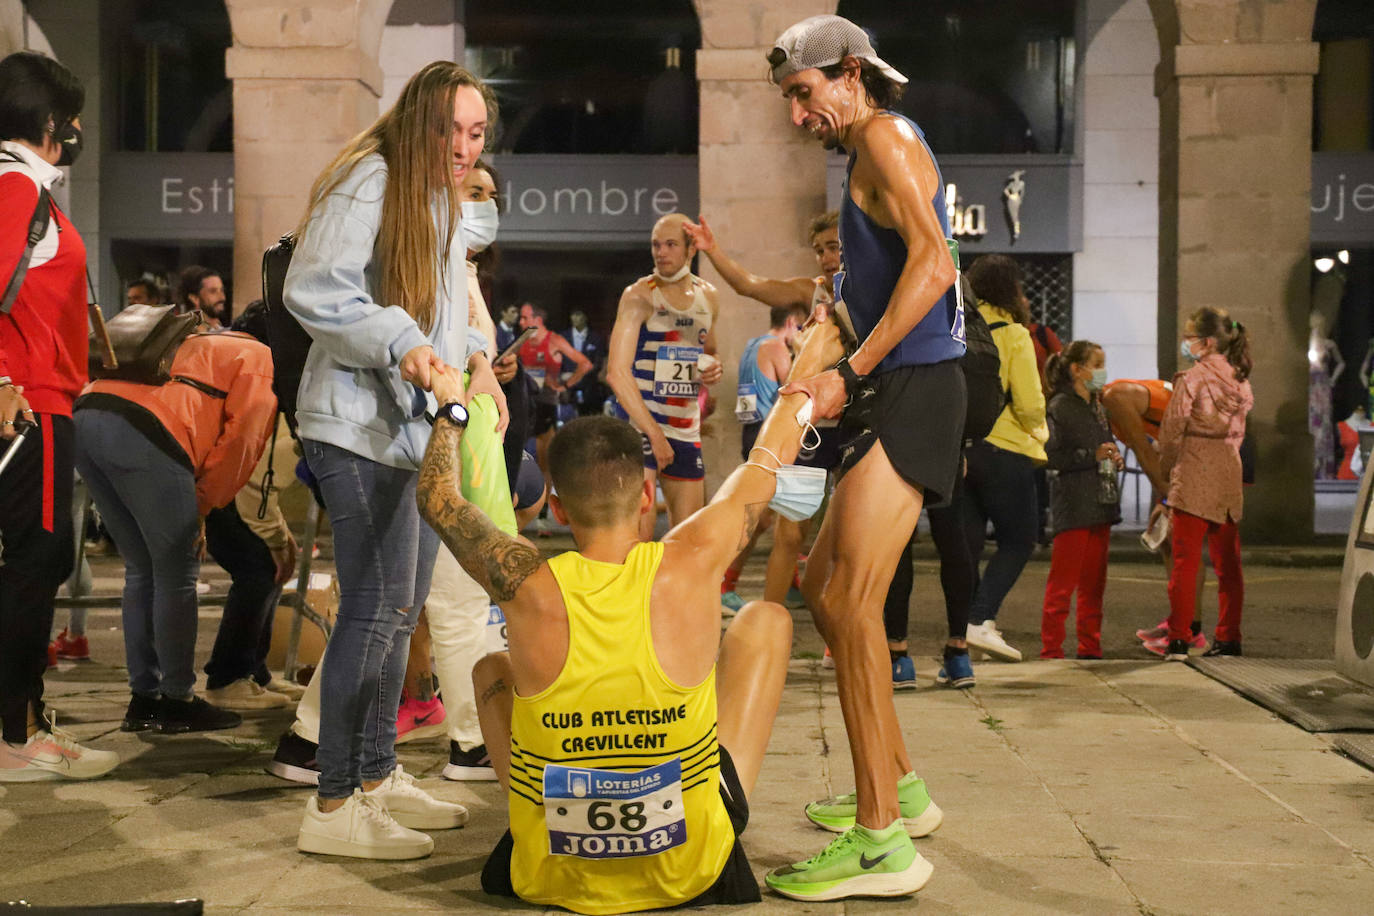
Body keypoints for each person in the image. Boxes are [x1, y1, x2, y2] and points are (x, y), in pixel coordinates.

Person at [415, 317, 847, 914]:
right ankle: (706, 804)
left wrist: (451, 409)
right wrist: (809, 371)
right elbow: (770, 452)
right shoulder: (692, 560)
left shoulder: (527, 583)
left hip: (555, 876)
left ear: (560, 509)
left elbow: (437, 498)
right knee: (766, 620)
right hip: (689, 868)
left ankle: (531, 823)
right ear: (646, 497)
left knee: (493, 666)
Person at [763, 15, 964, 900]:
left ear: (849, 72)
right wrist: (827, 349)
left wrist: (851, 370)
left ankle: (882, 840)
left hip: (917, 389)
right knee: (822, 589)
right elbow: (883, 282)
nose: (798, 118)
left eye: (803, 97)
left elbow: (937, 265)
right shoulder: (875, 146)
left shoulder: (882, 134)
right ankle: (901, 787)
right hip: (902, 386)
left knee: (849, 597)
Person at [284, 61, 500, 860]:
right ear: (419, 122)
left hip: (407, 432)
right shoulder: (370, 177)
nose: (464, 146)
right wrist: (408, 347)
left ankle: (374, 776)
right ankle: (333, 799)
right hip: (354, 427)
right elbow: (317, 289)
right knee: (375, 612)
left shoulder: (433, 197)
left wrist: (473, 353)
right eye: (452, 128)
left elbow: (437, 309)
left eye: (477, 133)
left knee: (398, 613)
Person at [0, 50, 118, 782]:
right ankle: (18, 731)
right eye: (69, 118)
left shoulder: (20, 185)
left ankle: (20, 722)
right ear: (48, 123)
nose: (75, 130)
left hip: (41, 397)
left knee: (31, 564)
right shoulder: (17, 185)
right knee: (36, 564)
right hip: (33, 403)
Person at [75, 323, 277, 732]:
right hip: (150, 431)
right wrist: (202, 505)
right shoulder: (260, 360)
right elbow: (241, 442)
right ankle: (178, 700)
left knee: (140, 568)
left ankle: (144, 699)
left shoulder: (202, 338)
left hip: (87, 415)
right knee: (176, 572)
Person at [684, 210, 842, 611]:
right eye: (819, 249)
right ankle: (771, 626)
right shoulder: (815, 291)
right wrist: (712, 249)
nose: (826, 257)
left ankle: (840, 631)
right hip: (813, 431)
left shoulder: (880, 291)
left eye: (834, 246)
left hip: (861, 424)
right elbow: (750, 285)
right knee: (790, 535)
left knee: (853, 536)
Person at [608, 213, 724, 541]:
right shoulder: (639, 295)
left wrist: (713, 367)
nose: (661, 252)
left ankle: (671, 595)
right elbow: (617, 374)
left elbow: (709, 351)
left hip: (685, 431)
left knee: (688, 541)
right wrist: (655, 435)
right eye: (656, 245)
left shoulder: (708, 296)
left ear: (691, 249)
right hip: (641, 428)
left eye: (671, 244)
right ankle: (631, 593)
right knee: (637, 539)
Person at [961, 254, 1047, 665]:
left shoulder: (958, 331)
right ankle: (980, 619)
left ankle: (960, 637)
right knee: (1018, 540)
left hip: (963, 450)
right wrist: (1040, 432)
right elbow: (1029, 403)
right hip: (1006, 449)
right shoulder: (1014, 334)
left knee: (968, 544)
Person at [1159, 307, 1253, 661]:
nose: (1186, 343)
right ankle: (1229, 637)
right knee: (1229, 563)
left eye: (1189, 337)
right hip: (1228, 472)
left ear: (1207, 341)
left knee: (1185, 562)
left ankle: (1179, 638)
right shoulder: (1241, 378)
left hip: (1194, 471)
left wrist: (1166, 468)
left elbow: (1172, 430)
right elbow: (1241, 431)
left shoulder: (1193, 378)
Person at [1040, 340, 1122, 659]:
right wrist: (1092, 454)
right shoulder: (1060, 406)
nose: (1102, 371)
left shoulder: (1098, 406)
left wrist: (1112, 457)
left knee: (1094, 585)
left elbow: (1105, 445)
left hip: (1101, 502)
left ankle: (1090, 646)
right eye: (1097, 364)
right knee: (1063, 584)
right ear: (1077, 369)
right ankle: (1052, 649)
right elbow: (1051, 455)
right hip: (1074, 504)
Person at [518, 302, 592, 506]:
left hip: (546, 404)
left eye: (525, 318)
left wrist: (565, 385)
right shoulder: (522, 341)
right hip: (524, 403)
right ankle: (515, 508)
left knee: (544, 462)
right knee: (514, 458)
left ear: (537, 320)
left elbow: (585, 363)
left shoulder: (554, 341)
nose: (521, 322)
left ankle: (542, 513)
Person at [564, 309, 608, 416]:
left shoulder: (596, 338)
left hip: (589, 387)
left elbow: (598, 363)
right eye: (573, 314)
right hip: (565, 386)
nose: (574, 318)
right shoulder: (563, 337)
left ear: (585, 317)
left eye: (578, 314)